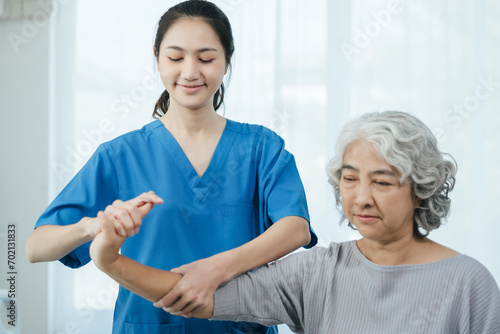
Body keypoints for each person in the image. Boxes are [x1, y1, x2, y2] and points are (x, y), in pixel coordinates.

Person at [26, 1, 317, 333]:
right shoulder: (122, 155)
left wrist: (215, 270)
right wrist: (95, 226)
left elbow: (296, 228)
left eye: (205, 58)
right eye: (176, 58)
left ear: (227, 60)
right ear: (157, 58)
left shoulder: (261, 148)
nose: (190, 72)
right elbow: (36, 247)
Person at [89, 111, 500, 334]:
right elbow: (189, 294)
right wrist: (109, 259)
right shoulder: (315, 272)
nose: (361, 197)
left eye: (382, 181)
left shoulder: (467, 283)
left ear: (420, 189)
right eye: (350, 179)